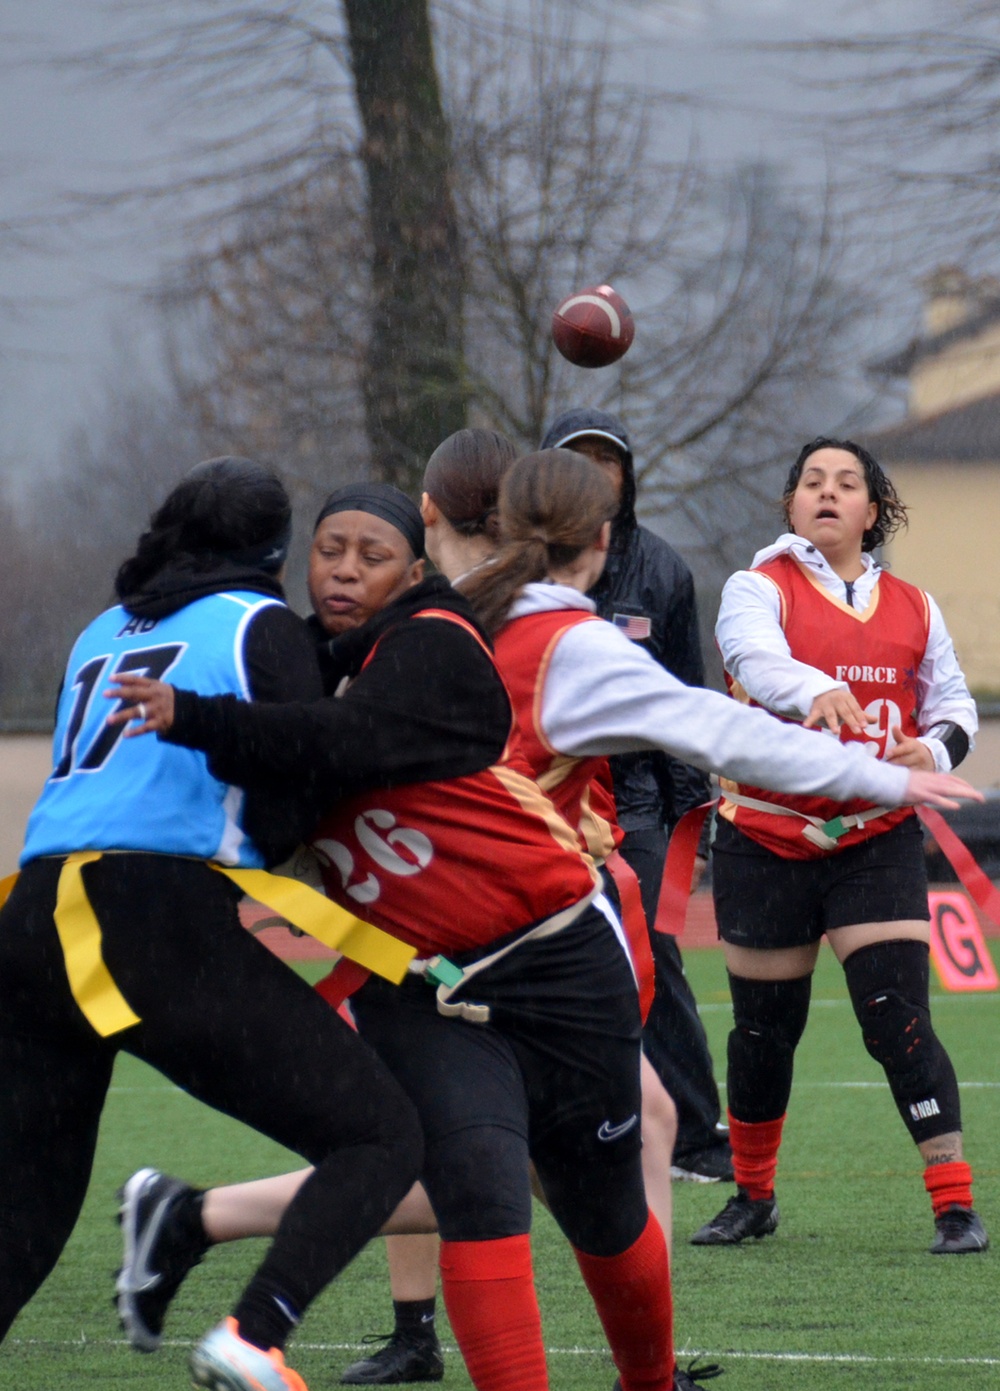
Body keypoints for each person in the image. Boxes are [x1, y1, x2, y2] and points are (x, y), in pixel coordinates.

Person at [112, 468, 981, 1391]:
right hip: (429, 978)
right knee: (479, 1191)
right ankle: (272, 1305)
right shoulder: (307, 666)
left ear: (427, 536)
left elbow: (708, 723)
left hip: (552, 957)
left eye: (371, 552)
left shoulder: (492, 641)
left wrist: (883, 777)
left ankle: (633, 1373)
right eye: (330, 551)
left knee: (594, 1193)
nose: (345, 571)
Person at [0, 458, 425, 1391]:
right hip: (150, 917)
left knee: (25, 1207)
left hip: (31, 915)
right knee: (383, 1136)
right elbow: (294, 783)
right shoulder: (258, 623)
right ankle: (254, 1333)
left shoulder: (100, 628)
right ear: (278, 552)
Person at [691, 436, 987, 1255]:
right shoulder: (757, 587)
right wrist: (816, 689)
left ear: (872, 510)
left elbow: (955, 706)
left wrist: (931, 751)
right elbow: (755, 658)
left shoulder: (916, 606)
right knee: (763, 1029)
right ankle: (753, 1196)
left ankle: (955, 1204)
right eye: (811, 482)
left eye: (846, 482)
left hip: (872, 837)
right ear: (790, 505)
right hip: (765, 835)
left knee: (897, 1017)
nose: (827, 492)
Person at [540, 408, 730, 1183]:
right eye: (574, 460)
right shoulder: (512, 568)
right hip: (537, 798)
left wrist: (694, 823)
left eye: (605, 460)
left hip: (637, 806)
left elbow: (688, 704)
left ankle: (698, 1142)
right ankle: (550, 1136)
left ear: (628, 475)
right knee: (535, 963)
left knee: (654, 963)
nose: (593, 474)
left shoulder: (664, 570)